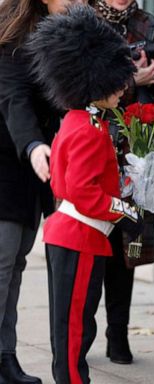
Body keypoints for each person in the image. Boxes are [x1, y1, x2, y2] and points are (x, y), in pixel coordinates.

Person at [27, 5, 144, 383]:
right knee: (76, 326)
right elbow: (82, 191)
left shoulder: (75, 120)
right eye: (118, 82)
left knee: (69, 325)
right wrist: (124, 208)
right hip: (82, 235)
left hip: (71, 233)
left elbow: (66, 183)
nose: (122, 88)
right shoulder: (91, 130)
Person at [0, 1, 87, 383]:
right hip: (9, 162)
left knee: (15, 264)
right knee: (2, 265)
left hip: (37, 168)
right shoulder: (12, 34)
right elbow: (13, 97)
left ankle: (5, 358)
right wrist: (35, 145)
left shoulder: (70, 31)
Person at [91, 0, 154, 365]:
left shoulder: (148, 24)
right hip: (93, 155)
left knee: (126, 252)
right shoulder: (84, 18)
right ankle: (80, 332)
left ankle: (118, 332)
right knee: (87, 247)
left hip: (138, 159)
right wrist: (132, 80)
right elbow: (76, 86)